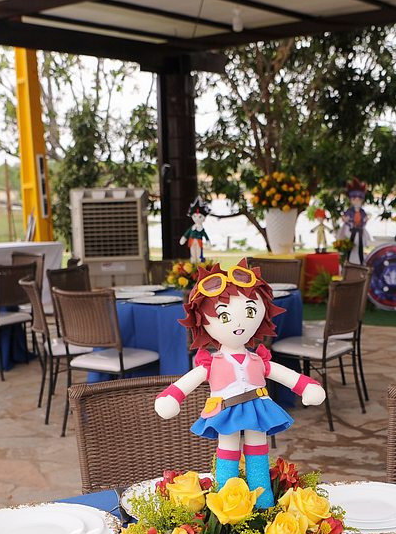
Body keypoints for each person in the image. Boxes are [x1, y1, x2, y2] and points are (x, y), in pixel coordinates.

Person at [154, 263, 326, 507]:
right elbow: (186, 383)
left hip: (258, 407)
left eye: (250, 312)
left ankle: (262, 499)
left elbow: (285, 375)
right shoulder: (211, 363)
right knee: (228, 451)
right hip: (226, 409)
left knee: (258, 451)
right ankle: (227, 500)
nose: (239, 323)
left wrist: (306, 386)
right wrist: (172, 397)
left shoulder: (259, 359)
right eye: (224, 316)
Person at [336, 178, 370, 263]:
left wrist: (365, 219)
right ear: (351, 200)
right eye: (354, 199)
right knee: (351, 245)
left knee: (359, 245)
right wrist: (345, 219)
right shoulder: (349, 211)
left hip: (360, 230)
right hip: (351, 230)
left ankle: (360, 260)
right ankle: (349, 260)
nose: (357, 201)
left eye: (359, 199)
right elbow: (345, 217)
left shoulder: (362, 211)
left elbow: (364, 218)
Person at [180, 197, 211, 264]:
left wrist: (207, 241)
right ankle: (193, 262)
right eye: (194, 216)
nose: (197, 218)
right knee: (192, 252)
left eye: (199, 216)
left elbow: (205, 235)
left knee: (199, 253)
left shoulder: (201, 229)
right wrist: (184, 237)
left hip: (199, 241)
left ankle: (199, 262)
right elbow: (187, 233)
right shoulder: (192, 228)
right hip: (191, 241)